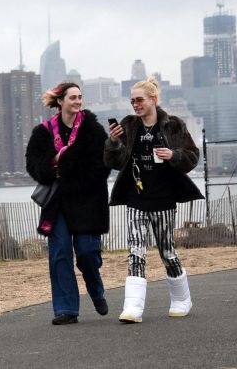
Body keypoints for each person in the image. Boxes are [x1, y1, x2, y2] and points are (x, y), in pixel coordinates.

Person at [104, 77, 203, 323]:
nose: (135, 105)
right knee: (136, 251)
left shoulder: (173, 125)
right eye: (132, 101)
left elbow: (192, 157)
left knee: (167, 251)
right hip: (136, 198)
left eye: (140, 100)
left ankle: (182, 299)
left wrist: (173, 154)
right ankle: (133, 307)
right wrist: (113, 143)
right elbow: (114, 162)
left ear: (153, 100)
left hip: (164, 199)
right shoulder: (128, 126)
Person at [25, 82, 111, 325]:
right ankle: (66, 308)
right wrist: (54, 160)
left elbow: (102, 165)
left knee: (86, 252)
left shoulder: (93, 130)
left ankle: (96, 289)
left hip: (88, 200)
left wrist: (73, 176)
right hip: (58, 202)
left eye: (80, 97)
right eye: (72, 97)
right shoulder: (43, 132)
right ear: (60, 101)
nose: (77, 101)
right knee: (60, 252)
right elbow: (33, 165)